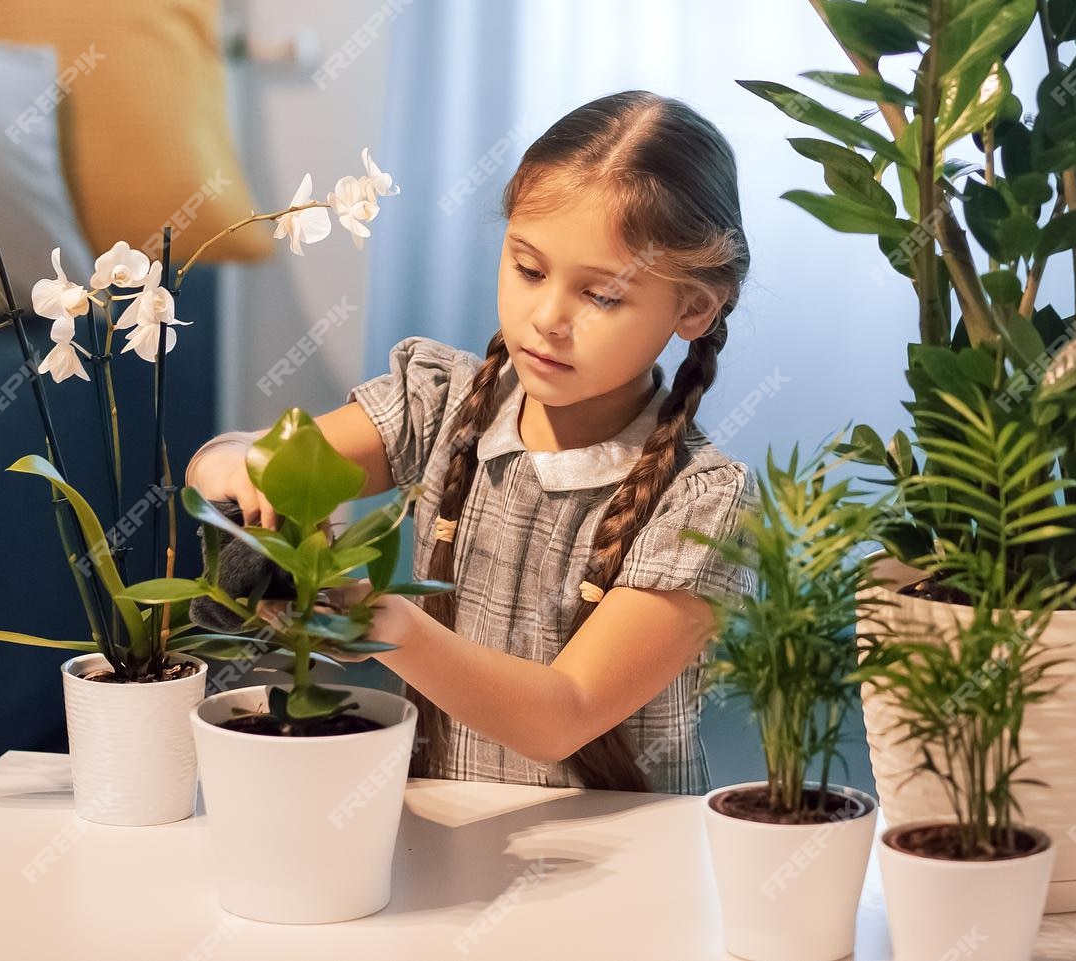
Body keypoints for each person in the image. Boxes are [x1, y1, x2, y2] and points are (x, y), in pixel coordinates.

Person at [186, 90, 757, 795]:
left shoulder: (703, 500)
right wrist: (234, 468)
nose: (548, 317)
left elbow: (563, 713)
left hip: (625, 862)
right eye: (528, 268)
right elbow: (246, 457)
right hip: (445, 839)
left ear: (695, 306)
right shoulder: (437, 400)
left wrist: (383, 621)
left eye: (602, 296)